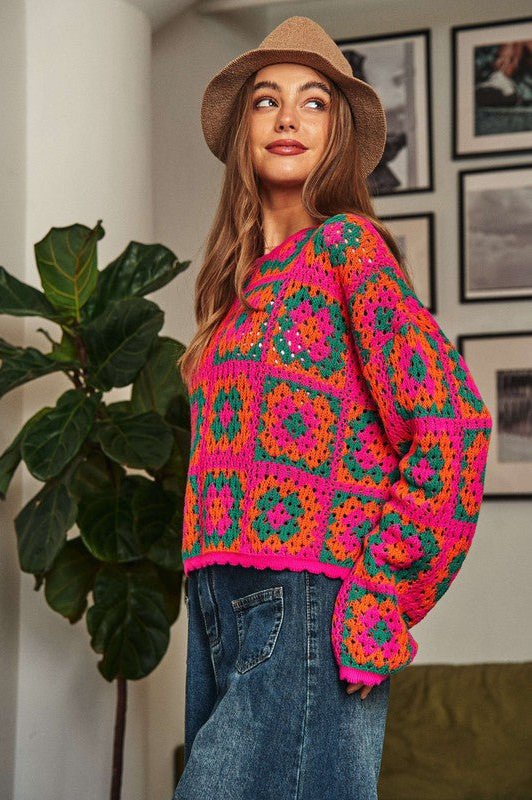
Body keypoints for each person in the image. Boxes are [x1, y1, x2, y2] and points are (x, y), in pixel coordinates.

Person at [173, 15, 493, 800]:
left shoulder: (345, 249)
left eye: (312, 102)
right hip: (217, 602)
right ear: (243, 131)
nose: (287, 117)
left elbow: (452, 424)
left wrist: (382, 589)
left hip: (304, 604)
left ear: (336, 134)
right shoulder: (235, 292)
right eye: (266, 100)